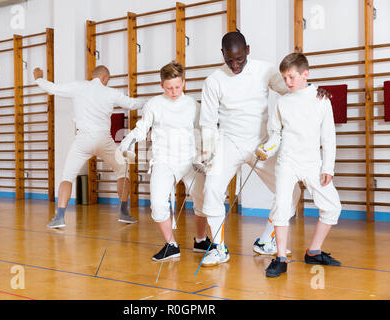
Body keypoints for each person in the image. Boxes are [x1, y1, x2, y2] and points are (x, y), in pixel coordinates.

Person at [198, 31, 330, 267]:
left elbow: (294, 89)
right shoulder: (213, 81)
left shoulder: (265, 70)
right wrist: (207, 152)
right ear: (223, 55)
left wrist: (314, 91)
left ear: (247, 50)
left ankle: (264, 241)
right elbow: (207, 123)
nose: (235, 65)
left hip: (263, 142)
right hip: (229, 142)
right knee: (211, 189)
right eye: (229, 60)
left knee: (291, 193)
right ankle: (218, 247)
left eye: (239, 59)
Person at [257, 52, 342, 278]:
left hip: (313, 163)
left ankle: (313, 252)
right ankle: (281, 257)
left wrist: (328, 168)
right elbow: (275, 135)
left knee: (332, 206)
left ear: (306, 74)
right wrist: (266, 149)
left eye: (292, 77)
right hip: (287, 162)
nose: (287, 83)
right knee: (282, 207)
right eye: (284, 78)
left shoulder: (321, 99)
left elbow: (328, 137)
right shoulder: (281, 102)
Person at [119, 61, 211, 261]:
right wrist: (126, 142)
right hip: (163, 160)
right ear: (162, 86)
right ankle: (171, 244)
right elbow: (141, 129)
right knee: (158, 204)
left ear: (184, 83)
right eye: (169, 88)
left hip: (190, 160)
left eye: (178, 87)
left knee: (203, 200)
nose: (174, 91)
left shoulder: (193, 106)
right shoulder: (154, 105)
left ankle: (201, 240)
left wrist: (206, 155)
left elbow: (202, 132)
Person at [33, 65, 146, 228]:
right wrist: (155, 101)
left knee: (67, 176)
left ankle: (59, 217)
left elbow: (52, 89)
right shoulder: (111, 92)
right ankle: (124, 212)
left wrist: (39, 78)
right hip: (103, 139)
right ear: (105, 78)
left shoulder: (78, 86)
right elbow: (132, 104)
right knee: (122, 170)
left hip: (82, 140)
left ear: (93, 76)